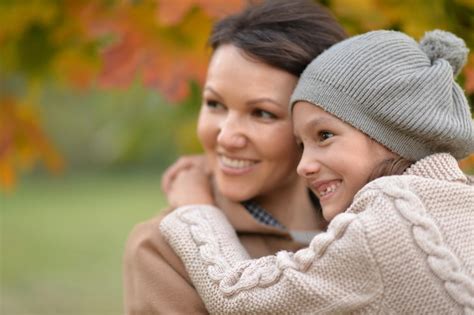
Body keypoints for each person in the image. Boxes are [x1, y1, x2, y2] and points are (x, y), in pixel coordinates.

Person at [160, 30, 474, 314]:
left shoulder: (385, 227)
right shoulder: (459, 198)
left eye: (324, 136)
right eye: (300, 143)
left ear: (393, 133)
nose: (303, 166)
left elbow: (236, 298)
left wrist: (194, 207)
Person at [123, 1, 347, 313]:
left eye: (261, 113)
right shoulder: (161, 249)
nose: (226, 137)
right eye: (215, 104)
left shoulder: (368, 222)